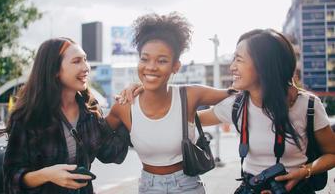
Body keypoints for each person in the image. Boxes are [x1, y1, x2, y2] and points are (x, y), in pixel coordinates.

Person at [198, 29, 335, 194]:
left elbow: (332, 154)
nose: (232, 67)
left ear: (263, 65)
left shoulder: (307, 105)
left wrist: (305, 171)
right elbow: (192, 118)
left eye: (239, 60)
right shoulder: (235, 105)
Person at [106, 12, 231, 194]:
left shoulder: (190, 95)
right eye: (144, 58)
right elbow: (96, 137)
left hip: (187, 185)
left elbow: (237, 93)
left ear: (176, 66)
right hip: (148, 187)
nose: (151, 66)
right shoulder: (125, 106)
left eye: (162, 60)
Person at [3, 38, 126, 194]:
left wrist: (127, 110)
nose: (86, 67)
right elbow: (10, 178)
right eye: (76, 61)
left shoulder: (90, 110)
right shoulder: (28, 117)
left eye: (85, 60)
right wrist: (46, 175)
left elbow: (111, 153)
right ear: (54, 70)